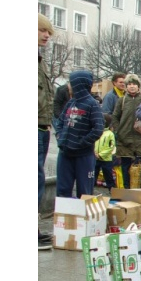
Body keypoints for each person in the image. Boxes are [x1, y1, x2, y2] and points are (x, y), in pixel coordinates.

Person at [54, 69, 104, 198]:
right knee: (62, 191)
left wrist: (81, 143)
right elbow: (60, 122)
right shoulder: (70, 103)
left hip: (84, 156)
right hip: (65, 154)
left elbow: (98, 129)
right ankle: (64, 217)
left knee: (85, 193)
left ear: (79, 84)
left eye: (70, 83)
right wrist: (60, 137)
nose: (68, 86)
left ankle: (84, 218)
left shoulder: (92, 105)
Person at [111, 73, 141, 189]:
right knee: (125, 167)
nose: (132, 86)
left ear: (139, 86)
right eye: (129, 84)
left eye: (134, 84)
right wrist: (119, 132)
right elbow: (115, 117)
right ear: (126, 86)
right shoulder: (121, 101)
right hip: (125, 140)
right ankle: (127, 190)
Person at [38, 13, 57, 250]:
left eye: (48, 33)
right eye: (42, 31)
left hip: (42, 126)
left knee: (38, 179)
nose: (46, 36)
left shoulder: (39, 61)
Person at [94, 113, 118, 190]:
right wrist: (94, 153)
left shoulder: (110, 134)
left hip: (106, 159)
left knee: (108, 175)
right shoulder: (96, 131)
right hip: (96, 157)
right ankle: (90, 188)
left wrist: (101, 154)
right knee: (93, 174)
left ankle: (112, 189)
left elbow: (111, 147)